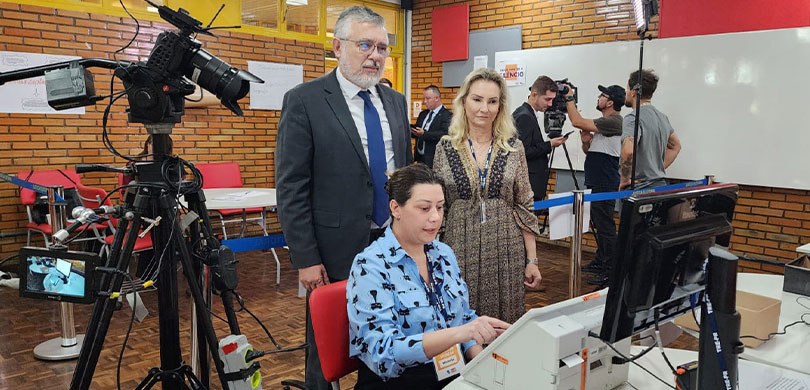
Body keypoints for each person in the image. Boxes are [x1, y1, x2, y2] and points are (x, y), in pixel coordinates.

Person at [275, 6, 412, 389]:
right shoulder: (305, 100)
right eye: (365, 44)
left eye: (383, 48)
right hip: (334, 248)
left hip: (390, 243)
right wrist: (306, 258)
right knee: (327, 344)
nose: (376, 56)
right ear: (337, 46)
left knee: (388, 332)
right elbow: (292, 185)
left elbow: (404, 175)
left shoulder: (396, 102)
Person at [348, 163, 510, 389]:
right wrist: (459, 334)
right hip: (397, 381)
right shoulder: (370, 265)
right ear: (396, 208)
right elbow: (382, 354)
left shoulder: (443, 253)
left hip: (451, 373)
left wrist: (480, 363)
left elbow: (463, 317)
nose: (435, 217)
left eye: (441, 207)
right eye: (424, 208)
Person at [433, 68, 542, 324]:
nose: (484, 108)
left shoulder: (514, 148)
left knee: (504, 324)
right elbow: (438, 208)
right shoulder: (445, 147)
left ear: (500, 106)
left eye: (492, 101)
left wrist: (532, 260)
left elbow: (525, 204)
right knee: (459, 318)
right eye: (477, 99)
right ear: (463, 101)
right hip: (458, 245)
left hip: (506, 247)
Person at [565, 84, 625, 286]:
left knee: (606, 225)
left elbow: (576, 120)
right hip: (596, 177)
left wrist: (569, 98)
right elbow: (590, 150)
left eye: (602, 95)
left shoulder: (614, 121)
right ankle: (602, 260)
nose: (598, 97)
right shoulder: (605, 123)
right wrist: (585, 142)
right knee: (600, 223)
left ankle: (611, 268)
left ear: (609, 102)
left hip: (605, 180)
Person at [620, 69, 682, 190]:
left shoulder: (632, 118)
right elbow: (676, 146)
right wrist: (656, 169)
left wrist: (624, 179)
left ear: (633, 92)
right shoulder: (662, 117)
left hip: (638, 190)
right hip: (659, 187)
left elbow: (628, 151)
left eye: (627, 89)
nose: (626, 93)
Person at [511, 76, 567, 201]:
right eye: (547, 99)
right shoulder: (525, 116)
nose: (550, 104)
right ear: (534, 94)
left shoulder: (525, 113)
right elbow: (522, 152)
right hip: (528, 184)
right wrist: (549, 145)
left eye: (552, 100)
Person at [412, 85, 452, 168]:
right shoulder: (423, 114)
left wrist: (424, 134)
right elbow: (418, 130)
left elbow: (444, 134)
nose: (425, 101)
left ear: (437, 98)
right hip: (420, 158)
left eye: (428, 98)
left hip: (434, 160)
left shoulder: (447, 115)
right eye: (424, 98)